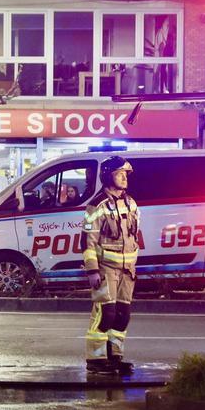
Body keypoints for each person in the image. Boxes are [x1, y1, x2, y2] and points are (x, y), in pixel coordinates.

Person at [83, 156, 140, 374]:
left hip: (127, 270)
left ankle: (115, 357)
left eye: (126, 174)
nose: (124, 178)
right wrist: (92, 270)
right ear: (108, 176)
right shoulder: (96, 206)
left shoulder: (131, 203)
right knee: (105, 313)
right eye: (119, 174)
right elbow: (88, 241)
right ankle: (96, 360)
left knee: (122, 315)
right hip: (105, 269)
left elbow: (134, 236)